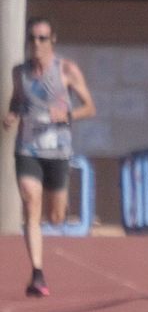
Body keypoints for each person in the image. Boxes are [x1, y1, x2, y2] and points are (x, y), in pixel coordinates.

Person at [4, 16, 96, 297]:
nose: (36, 44)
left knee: (55, 217)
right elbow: (18, 100)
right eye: (32, 38)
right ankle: (37, 274)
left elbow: (90, 107)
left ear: (52, 40)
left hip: (57, 150)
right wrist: (12, 114)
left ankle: (58, 209)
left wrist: (66, 114)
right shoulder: (19, 72)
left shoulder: (66, 70)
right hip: (27, 148)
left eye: (42, 38)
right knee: (31, 202)